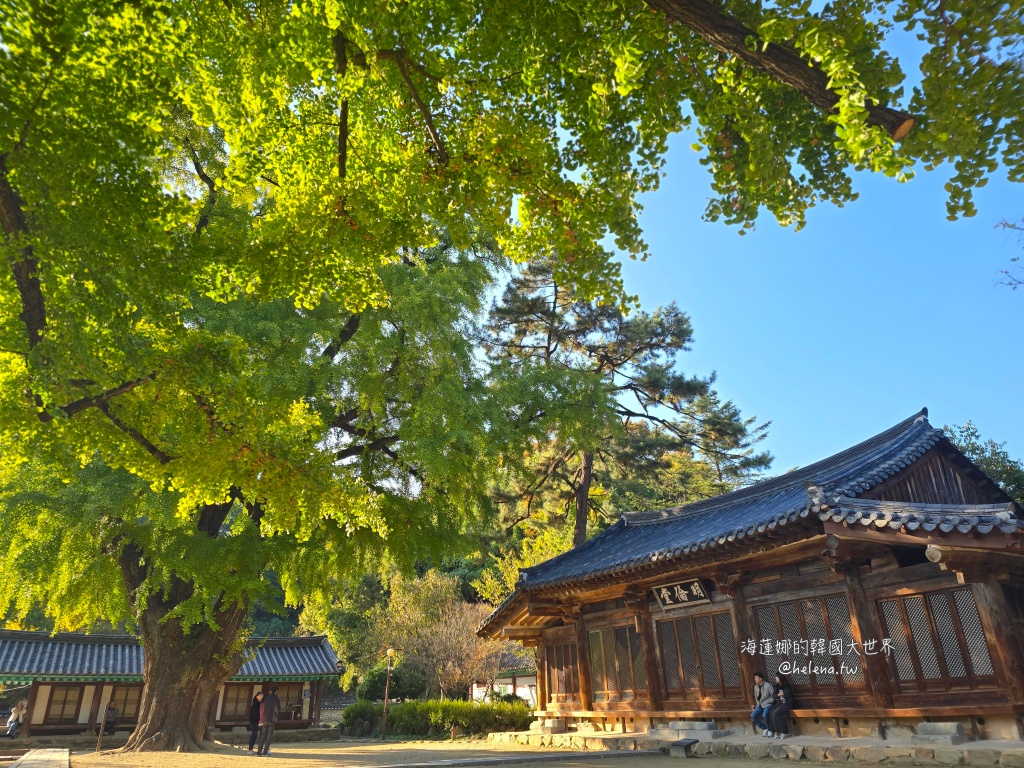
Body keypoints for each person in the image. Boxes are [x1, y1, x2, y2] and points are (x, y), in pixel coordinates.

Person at [257, 684, 281, 757]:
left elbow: (263, 707)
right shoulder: (276, 699)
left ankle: (259, 751)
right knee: (269, 736)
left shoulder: (266, 698)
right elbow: (278, 709)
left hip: (265, 718)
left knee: (263, 735)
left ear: (270, 691)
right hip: (272, 719)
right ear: (276, 691)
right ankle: (265, 752)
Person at [768, 673, 794, 739]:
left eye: (777, 677)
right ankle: (776, 731)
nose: (775, 678)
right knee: (771, 712)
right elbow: (774, 696)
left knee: (777, 713)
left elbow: (787, 695)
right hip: (780, 703)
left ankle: (783, 732)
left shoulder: (786, 685)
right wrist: (778, 695)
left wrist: (781, 694)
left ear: (780, 678)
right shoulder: (776, 686)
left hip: (787, 703)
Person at [750, 672, 774, 736]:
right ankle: (764, 728)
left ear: (760, 679)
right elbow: (756, 696)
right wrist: (757, 705)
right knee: (753, 715)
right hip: (760, 705)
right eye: (755, 678)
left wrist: (769, 702)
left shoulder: (768, 685)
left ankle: (770, 729)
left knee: (765, 715)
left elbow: (773, 696)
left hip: (768, 705)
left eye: (756, 678)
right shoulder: (756, 687)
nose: (755, 679)